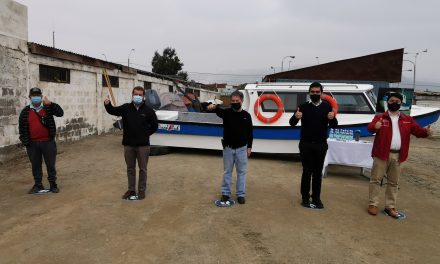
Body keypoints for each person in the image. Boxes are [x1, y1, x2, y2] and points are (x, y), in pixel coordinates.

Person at [367, 92, 433, 218]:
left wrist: (426, 132)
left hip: (399, 156)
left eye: (397, 101)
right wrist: (375, 127)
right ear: (387, 102)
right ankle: (373, 204)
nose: (394, 103)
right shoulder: (380, 117)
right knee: (375, 180)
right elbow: (369, 128)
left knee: (393, 182)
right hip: (381, 154)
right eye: (391, 101)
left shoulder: (407, 119)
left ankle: (390, 207)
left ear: (401, 104)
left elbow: (418, 131)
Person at [104, 86, 158, 200]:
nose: (137, 96)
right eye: (136, 94)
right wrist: (107, 104)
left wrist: (145, 134)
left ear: (144, 97)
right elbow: (113, 111)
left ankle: (142, 191)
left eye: (140, 95)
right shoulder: (125, 108)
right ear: (132, 95)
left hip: (143, 145)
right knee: (130, 168)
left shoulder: (149, 111)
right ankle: (131, 189)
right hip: (128, 144)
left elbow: (155, 126)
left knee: (143, 169)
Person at [289, 82, 338, 209]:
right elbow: (292, 123)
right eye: (313, 92)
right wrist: (295, 116)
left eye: (317, 92)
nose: (315, 94)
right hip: (306, 144)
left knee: (317, 173)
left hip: (321, 145)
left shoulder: (327, 107)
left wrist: (332, 118)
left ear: (321, 93)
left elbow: (334, 125)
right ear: (309, 93)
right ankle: (305, 197)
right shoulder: (303, 107)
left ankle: (316, 198)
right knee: (306, 172)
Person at [207, 91, 253, 204]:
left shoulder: (247, 116)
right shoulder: (226, 113)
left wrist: (249, 147)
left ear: (242, 101)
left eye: (237, 101)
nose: (235, 103)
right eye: (233, 101)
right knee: (227, 172)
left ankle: (240, 194)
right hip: (228, 148)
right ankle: (225, 193)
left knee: (241, 173)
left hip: (242, 148)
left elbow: (250, 133)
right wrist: (211, 106)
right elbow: (212, 108)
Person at [19, 87, 64, 194]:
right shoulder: (25, 112)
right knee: (35, 165)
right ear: (30, 97)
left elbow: (60, 113)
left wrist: (51, 103)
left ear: (41, 97)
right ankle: (38, 185)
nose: (36, 98)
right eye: (34, 96)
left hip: (48, 142)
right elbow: (21, 128)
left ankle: (53, 184)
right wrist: (25, 141)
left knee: (50, 165)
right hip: (32, 144)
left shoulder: (47, 108)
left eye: (38, 96)